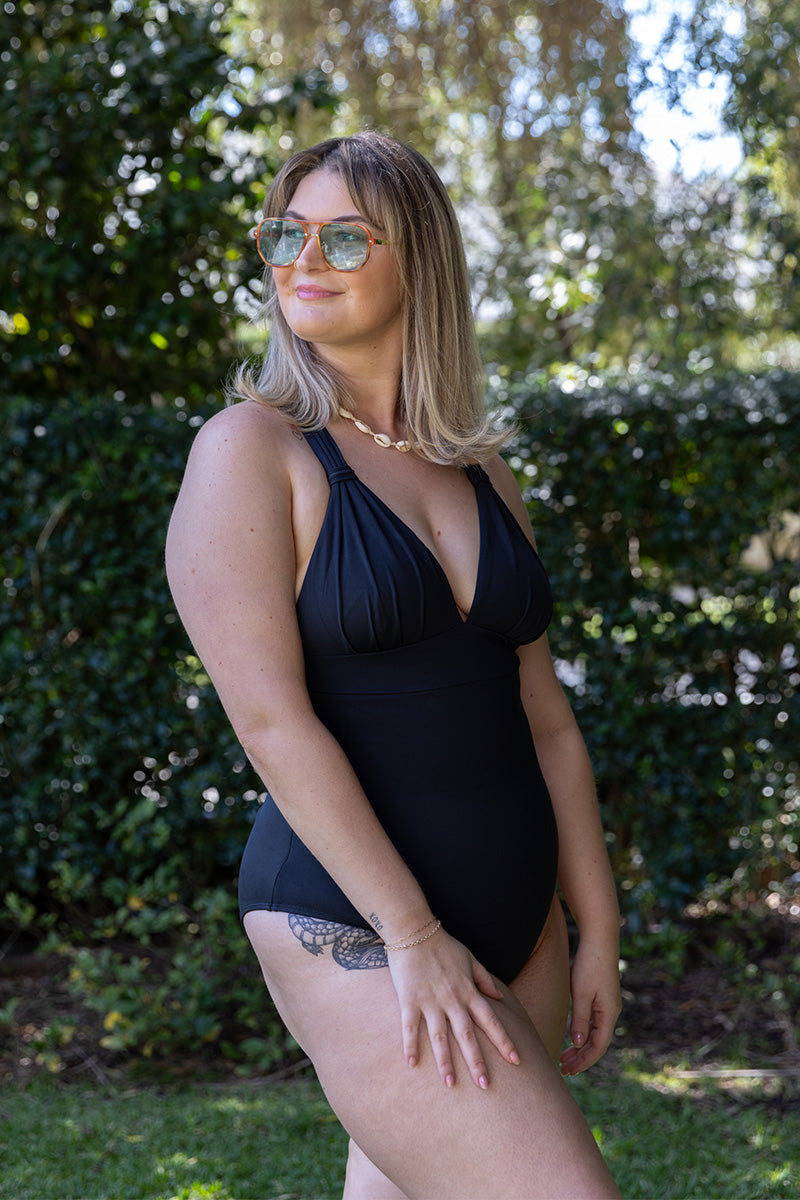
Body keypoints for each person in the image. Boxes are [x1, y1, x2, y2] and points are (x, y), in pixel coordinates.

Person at [166, 131, 622, 1199]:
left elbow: (542, 716)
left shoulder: (477, 468)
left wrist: (593, 923)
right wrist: (409, 933)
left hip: (518, 923)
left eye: (340, 237)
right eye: (285, 234)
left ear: (416, 256)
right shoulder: (250, 449)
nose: (300, 260)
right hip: (355, 923)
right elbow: (270, 722)